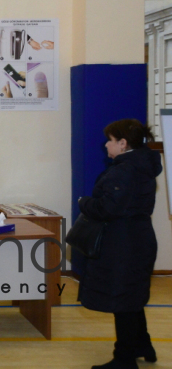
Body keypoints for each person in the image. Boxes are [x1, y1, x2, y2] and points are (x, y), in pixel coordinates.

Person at [78, 119, 161, 369]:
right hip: (137, 239)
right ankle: (141, 345)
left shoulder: (125, 170)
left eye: (110, 140)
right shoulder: (142, 164)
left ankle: (124, 359)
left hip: (123, 244)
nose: (106, 145)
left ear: (123, 143)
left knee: (122, 300)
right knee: (131, 297)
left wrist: (84, 202)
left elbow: (108, 208)